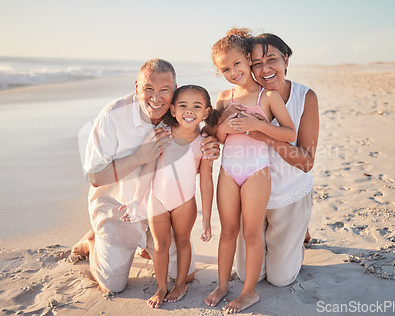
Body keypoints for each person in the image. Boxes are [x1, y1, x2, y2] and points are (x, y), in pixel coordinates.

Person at [71, 59, 220, 294]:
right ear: (137, 86)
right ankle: (93, 239)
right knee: (112, 286)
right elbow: (95, 177)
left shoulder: (177, 113)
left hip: (163, 207)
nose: (156, 98)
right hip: (121, 208)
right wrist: (139, 156)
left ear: (174, 89)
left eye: (164, 90)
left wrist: (210, 145)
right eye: (148, 89)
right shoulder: (112, 117)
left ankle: (147, 244)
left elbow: (192, 145)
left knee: (187, 275)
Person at [205, 28, 296, 313]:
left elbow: (289, 133)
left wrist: (256, 125)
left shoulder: (268, 97)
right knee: (228, 231)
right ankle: (222, 285)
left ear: (247, 58)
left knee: (252, 233)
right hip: (228, 171)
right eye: (225, 69)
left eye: (237, 65)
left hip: (257, 171)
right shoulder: (223, 98)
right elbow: (215, 137)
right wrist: (223, 123)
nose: (233, 72)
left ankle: (248, 292)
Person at [234, 33, 319, 288]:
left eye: (272, 59)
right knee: (247, 275)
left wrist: (265, 135)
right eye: (257, 63)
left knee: (280, 279)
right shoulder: (243, 97)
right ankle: (291, 236)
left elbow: (306, 162)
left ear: (286, 60)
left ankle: (299, 230)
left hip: (290, 194)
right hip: (252, 197)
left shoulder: (306, 97)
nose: (265, 69)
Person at [136, 85, 219, 308]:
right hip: (158, 199)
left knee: (183, 241)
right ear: (172, 110)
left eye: (196, 106)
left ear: (206, 112)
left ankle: (180, 283)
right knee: (160, 245)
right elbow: (148, 169)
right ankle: (161, 287)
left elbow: (206, 181)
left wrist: (207, 218)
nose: (189, 110)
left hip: (185, 202)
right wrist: (136, 200)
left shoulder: (203, 144)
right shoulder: (163, 135)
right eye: (183, 105)